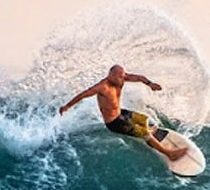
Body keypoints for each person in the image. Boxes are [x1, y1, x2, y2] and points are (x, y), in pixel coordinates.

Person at [59, 64, 187, 161]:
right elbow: (83, 95)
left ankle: (149, 137)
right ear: (111, 75)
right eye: (120, 77)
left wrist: (150, 84)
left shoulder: (121, 78)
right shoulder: (102, 87)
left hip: (121, 113)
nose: (123, 79)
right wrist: (67, 106)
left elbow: (139, 77)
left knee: (143, 119)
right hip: (114, 122)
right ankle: (169, 153)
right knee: (143, 132)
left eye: (123, 76)